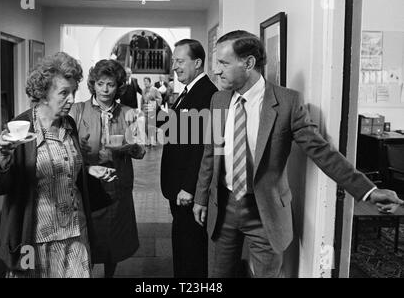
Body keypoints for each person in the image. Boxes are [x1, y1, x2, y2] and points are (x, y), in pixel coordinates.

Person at [193, 30, 404, 278]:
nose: (216, 70)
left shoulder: (287, 102)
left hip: (266, 214)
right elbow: (211, 152)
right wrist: (200, 197)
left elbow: (322, 152)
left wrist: (369, 190)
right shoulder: (218, 99)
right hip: (224, 208)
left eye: (223, 63)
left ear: (249, 63)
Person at [0, 52, 94, 278]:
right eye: (64, 92)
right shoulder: (20, 127)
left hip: (74, 233)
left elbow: (70, 171)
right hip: (33, 238)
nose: (72, 99)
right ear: (44, 94)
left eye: (73, 92)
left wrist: (91, 169)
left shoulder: (69, 124)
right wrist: (3, 157)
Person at [69, 60, 146, 278]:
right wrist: (78, 147)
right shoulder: (77, 110)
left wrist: (127, 146)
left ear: (118, 86)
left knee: (115, 237)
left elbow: (141, 152)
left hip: (117, 183)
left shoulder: (129, 113)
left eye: (110, 84)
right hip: (87, 182)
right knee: (87, 236)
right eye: (100, 84)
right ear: (93, 84)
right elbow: (66, 149)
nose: (105, 89)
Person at [158, 39, 218, 278]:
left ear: (198, 62)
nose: (175, 66)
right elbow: (182, 131)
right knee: (182, 243)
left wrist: (188, 187)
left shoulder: (207, 94)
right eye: (174, 61)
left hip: (187, 190)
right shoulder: (187, 91)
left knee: (191, 248)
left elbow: (203, 147)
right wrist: (158, 118)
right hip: (177, 186)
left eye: (180, 61)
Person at [142, 77, 162, 146]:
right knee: (146, 125)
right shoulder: (143, 90)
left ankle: (153, 141)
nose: (145, 83)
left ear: (150, 82)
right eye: (144, 81)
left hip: (152, 108)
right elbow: (142, 99)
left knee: (152, 125)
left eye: (146, 81)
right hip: (145, 109)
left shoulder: (155, 89)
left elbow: (159, 98)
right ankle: (147, 140)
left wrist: (154, 102)